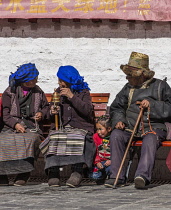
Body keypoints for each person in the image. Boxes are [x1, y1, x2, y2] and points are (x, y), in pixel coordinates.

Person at [104, 52, 171, 189]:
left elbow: (170, 107)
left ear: (141, 74)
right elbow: (117, 107)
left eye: (130, 74)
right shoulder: (127, 88)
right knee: (116, 135)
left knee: (150, 139)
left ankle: (142, 176)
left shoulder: (160, 86)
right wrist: (119, 120)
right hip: (130, 127)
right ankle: (116, 176)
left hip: (153, 127)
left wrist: (152, 105)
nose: (127, 77)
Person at [42, 65, 96, 187]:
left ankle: (77, 172)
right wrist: (52, 111)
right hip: (62, 127)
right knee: (54, 137)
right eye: (59, 80)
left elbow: (87, 111)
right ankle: (53, 171)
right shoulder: (58, 92)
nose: (59, 83)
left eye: (62, 80)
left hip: (80, 127)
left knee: (79, 137)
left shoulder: (83, 92)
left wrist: (72, 96)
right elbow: (50, 113)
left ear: (70, 80)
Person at [0, 63, 49, 186]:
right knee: (3, 141)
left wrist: (41, 114)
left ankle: (24, 174)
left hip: (31, 127)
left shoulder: (38, 91)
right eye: (34, 79)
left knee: (30, 140)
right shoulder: (9, 92)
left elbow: (46, 108)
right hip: (11, 127)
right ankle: (2, 175)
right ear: (26, 81)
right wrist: (15, 124)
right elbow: (5, 115)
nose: (36, 80)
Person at [89, 115, 111, 184]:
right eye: (97, 129)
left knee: (110, 169)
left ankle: (109, 177)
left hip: (110, 163)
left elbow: (117, 152)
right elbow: (94, 151)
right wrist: (97, 162)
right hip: (100, 162)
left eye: (101, 129)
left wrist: (111, 160)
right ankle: (102, 177)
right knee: (94, 176)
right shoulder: (95, 136)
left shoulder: (113, 137)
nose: (98, 132)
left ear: (109, 129)